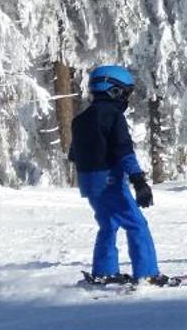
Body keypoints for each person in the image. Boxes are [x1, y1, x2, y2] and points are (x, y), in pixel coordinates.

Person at [69, 65, 171, 287]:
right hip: (110, 182)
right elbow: (123, 150)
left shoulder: (80, 119)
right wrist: (138, 180)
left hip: (88, 183)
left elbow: (73, 154)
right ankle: (148, 273)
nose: (127, 99)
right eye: (126, 93)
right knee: (137, 225)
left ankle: (104, 272)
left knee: (109, 224)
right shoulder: (113, 116)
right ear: (114, 91)